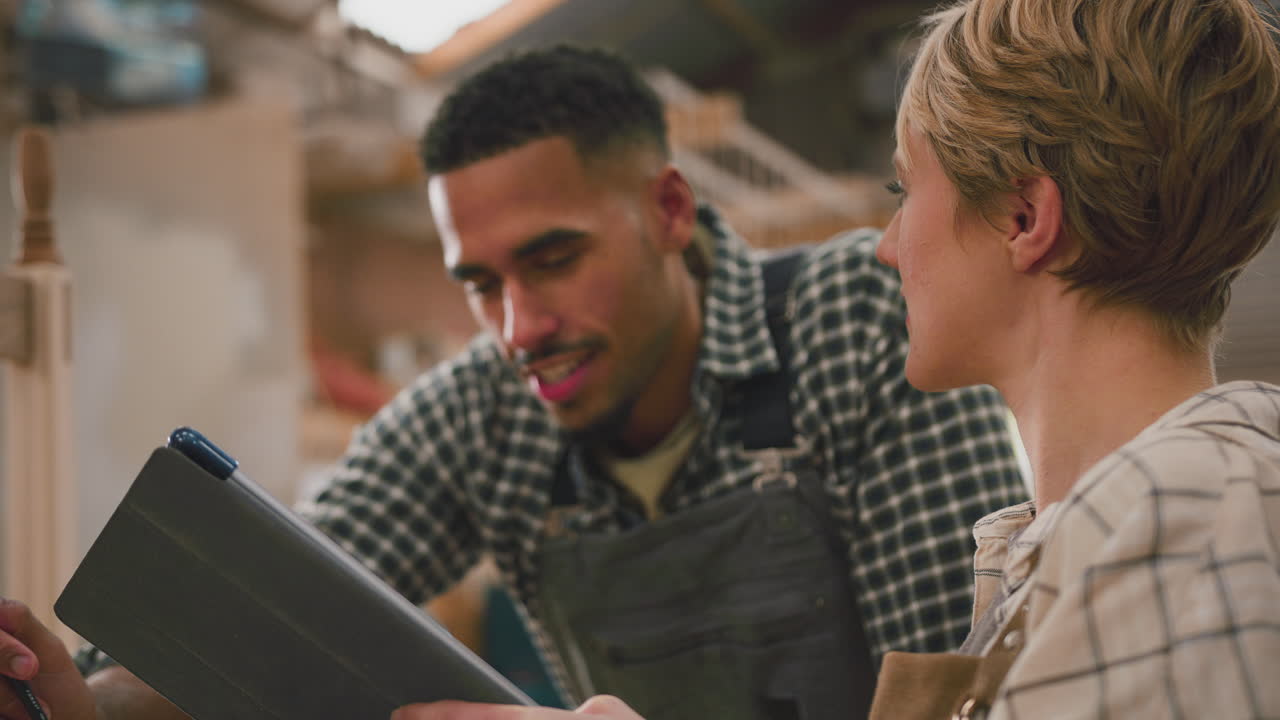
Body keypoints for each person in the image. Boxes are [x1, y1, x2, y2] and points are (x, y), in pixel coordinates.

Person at [0, 45, 1028, 720]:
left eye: (551, 259)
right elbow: (274, 603)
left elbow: (966, 703)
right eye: (478, 284)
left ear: (669, 209)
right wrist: (71, 698)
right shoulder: (483, 412)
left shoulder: (856, 320)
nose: (517, 328)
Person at [385, 0, 1280, 718]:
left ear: (1022, 219)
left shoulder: (1188, 517)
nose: (888, 245)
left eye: (905, 187)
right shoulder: (1076, 544)